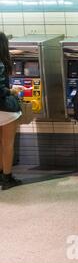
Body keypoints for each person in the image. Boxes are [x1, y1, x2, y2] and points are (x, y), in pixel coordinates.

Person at [0, 32, 23, 190]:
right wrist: (13, 91)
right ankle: (7, 178)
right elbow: (1, 90)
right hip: (4, 111)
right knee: (7, 144)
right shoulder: (1, 64)